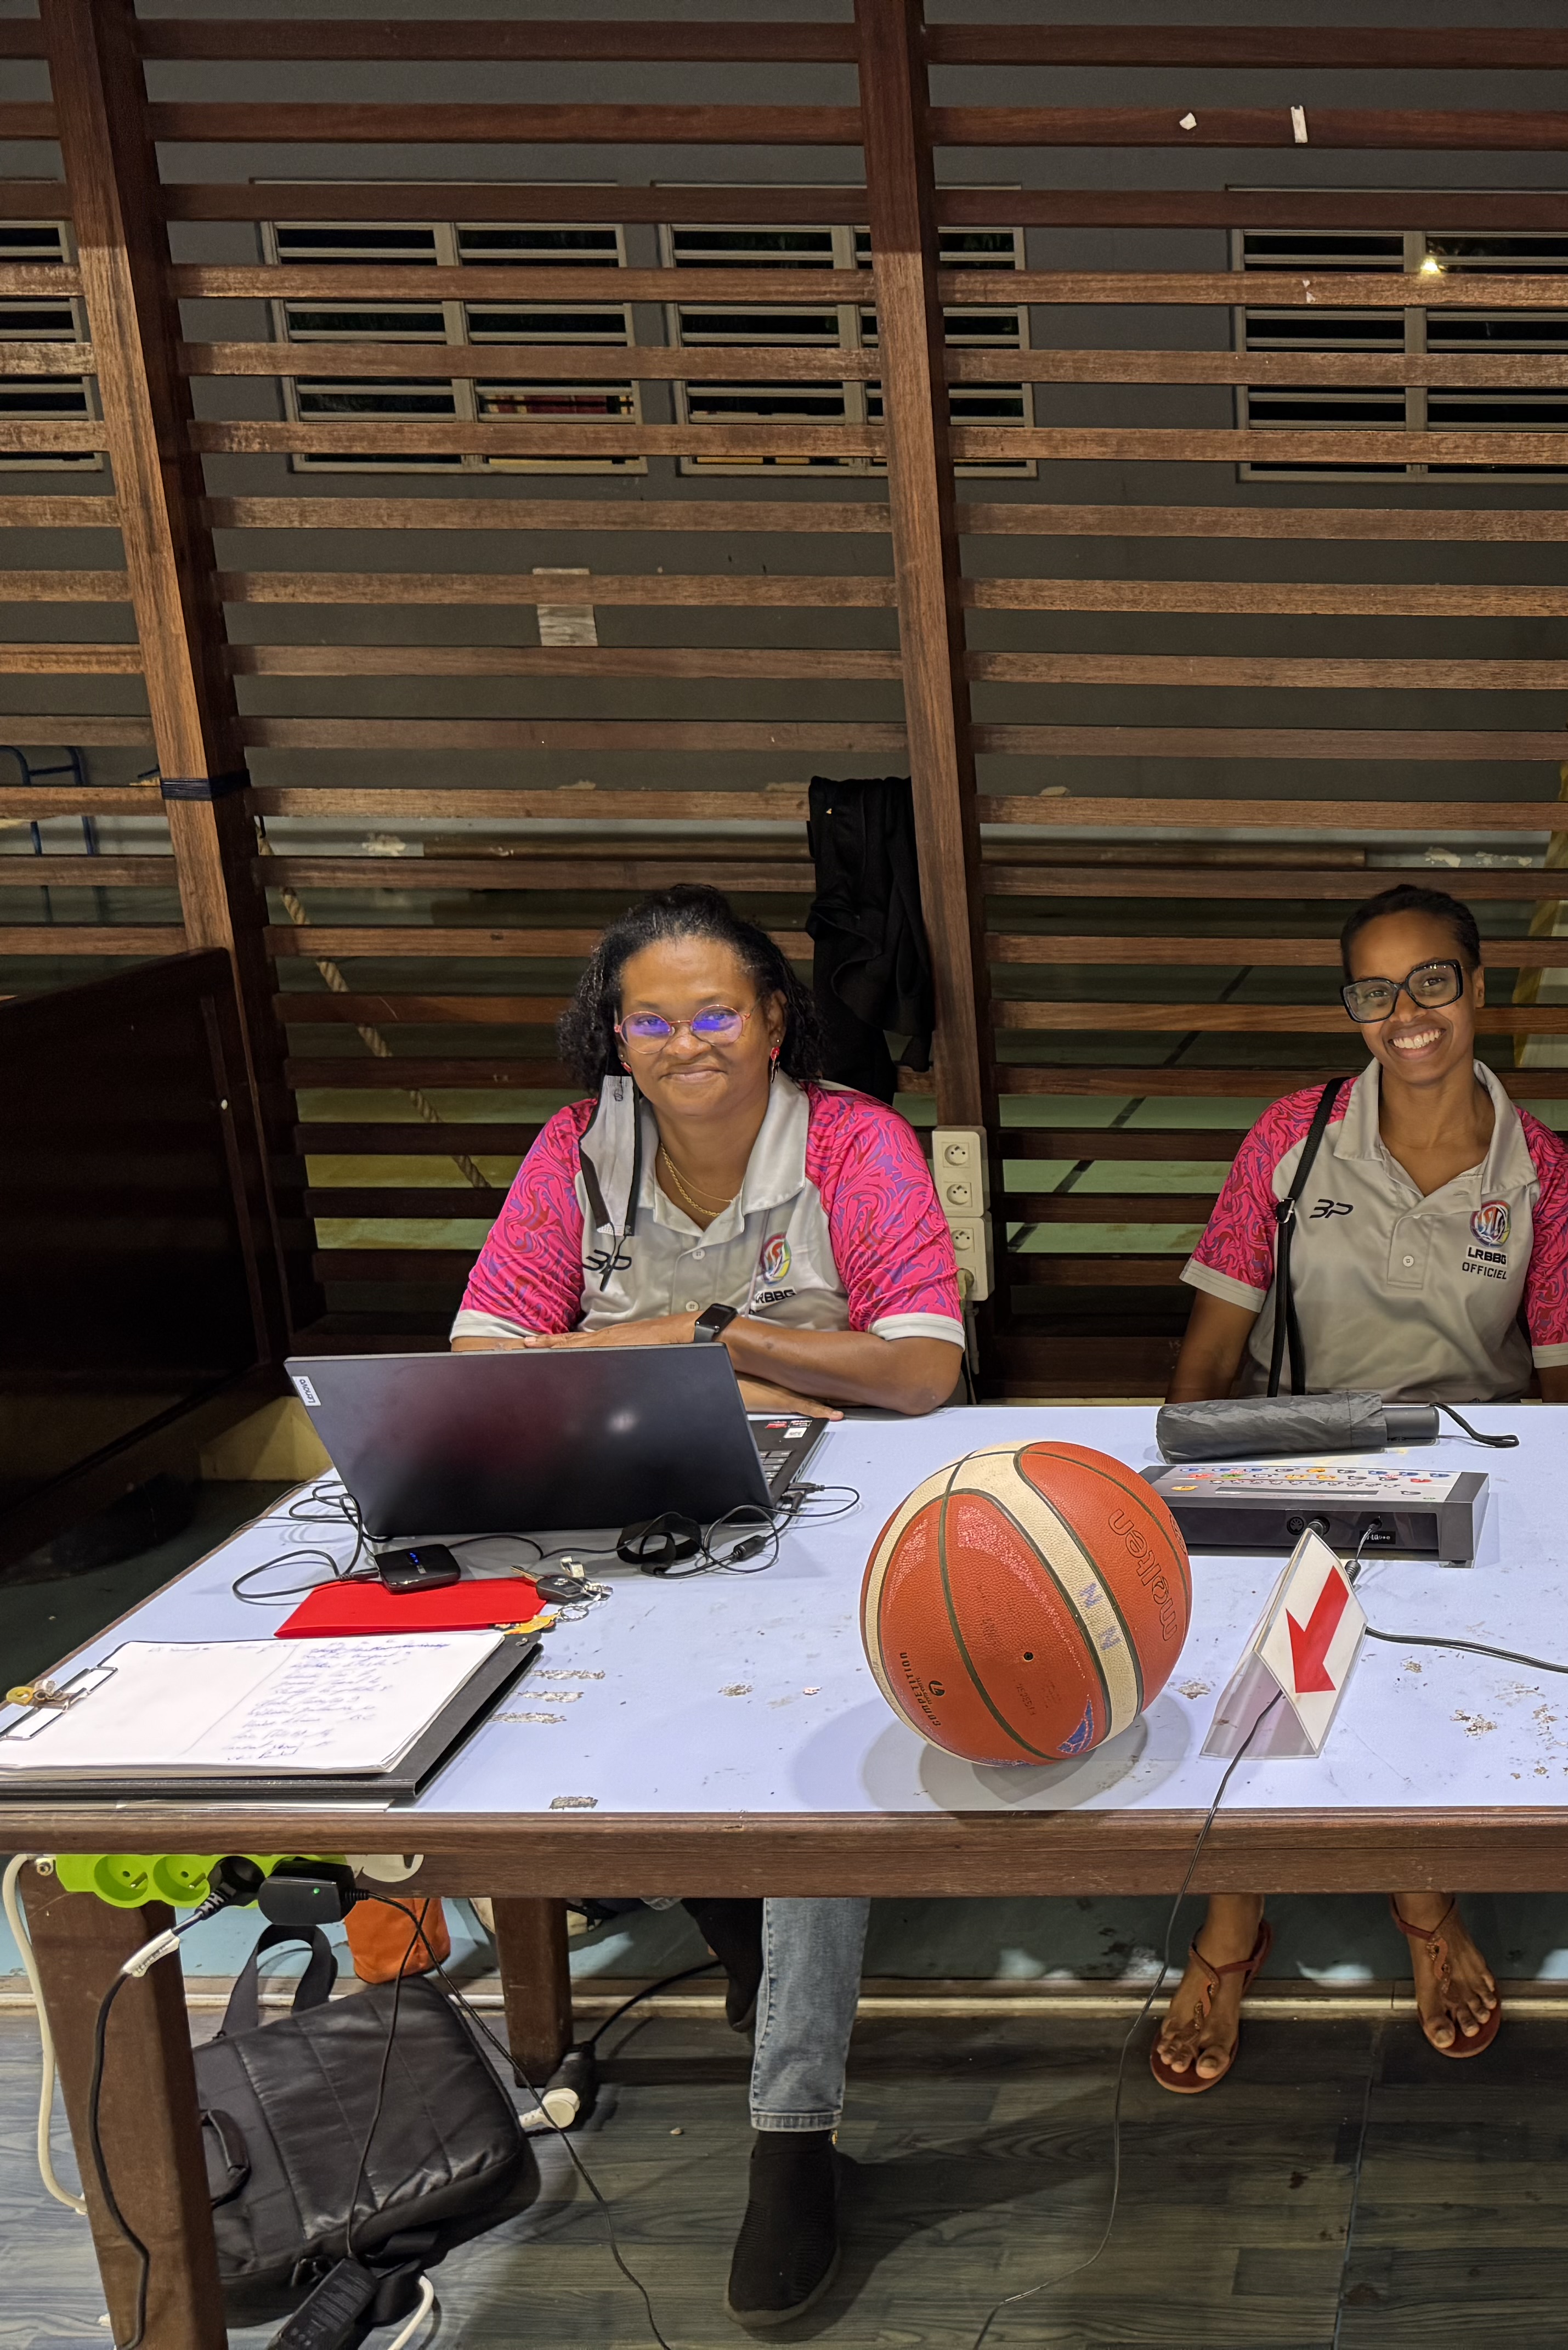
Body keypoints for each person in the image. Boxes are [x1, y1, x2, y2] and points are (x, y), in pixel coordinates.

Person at [451, 882, 963, 2329]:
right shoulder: (577, 1149)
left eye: (717, 1012)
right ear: (614, 1036)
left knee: (817, 1756)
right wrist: (721, 1362)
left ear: (776, 1020)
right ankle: (733, 1927)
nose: (687, 1044)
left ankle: (793, 2130)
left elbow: (923, 1366)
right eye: (652, 1021)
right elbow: (485, 1352)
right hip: (627, 1485)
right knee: (545, 1686)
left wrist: (701, 1335)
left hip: (834, 1492)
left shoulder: (854, 1143)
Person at [1152, 882, 1568, 2093]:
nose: (1407, 1013)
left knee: (1419, 1669)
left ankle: (1418, 1897)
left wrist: (1543, 1543)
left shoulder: (1542, 1172)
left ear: (1480, 987)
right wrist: (1185, 1498)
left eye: (1433, 982)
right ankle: (1237, 1919)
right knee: (1253, 1665)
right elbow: (1209, 1361)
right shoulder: (1293, 1137)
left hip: (1465, 1476)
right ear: (1352, 1007)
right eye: (1375, 991)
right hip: (1287, 1455)